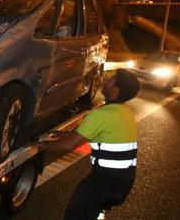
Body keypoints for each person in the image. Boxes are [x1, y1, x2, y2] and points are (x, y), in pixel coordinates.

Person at [37, 68, 141, 220]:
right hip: (124, 182)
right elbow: (85, 134)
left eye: (110, 81)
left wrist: (41, 145)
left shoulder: (101, 114)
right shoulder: (124, 112)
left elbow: (68, 146)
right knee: (93, 212)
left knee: (79, 210)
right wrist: (62, 134)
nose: (105, 81)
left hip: (103, 182)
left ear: (115, 90)